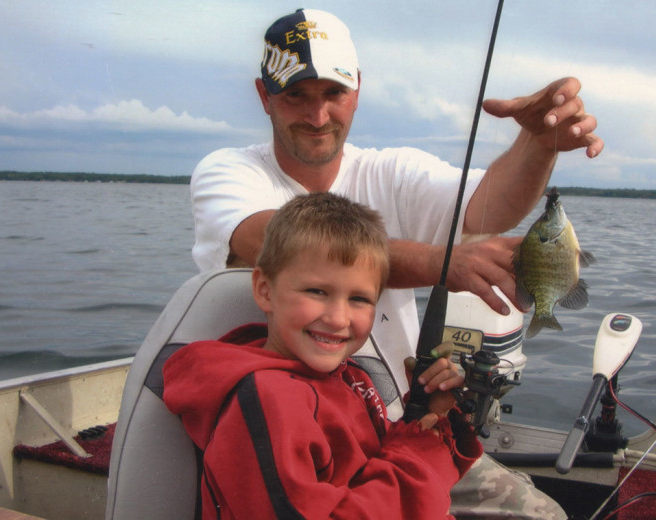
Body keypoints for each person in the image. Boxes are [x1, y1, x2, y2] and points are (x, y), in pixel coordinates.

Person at [190, 8, 597, 517]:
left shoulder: (391, 171)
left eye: (333, 94)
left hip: (404, 427)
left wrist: (538, 144)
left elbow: (488, 207)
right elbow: (282, 240)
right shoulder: (227, 173)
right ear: (264, 95)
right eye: (296, 95)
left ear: (356, 89)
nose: (317, 116)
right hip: (312, 444)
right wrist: (445, 263)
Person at [164, 192, 483, 519]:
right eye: (317, 292)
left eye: (359, 299)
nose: (338, 319)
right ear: (264, 290)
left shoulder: (346, 375)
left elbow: (369, 467)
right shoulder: (269, 401)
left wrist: (426, 420)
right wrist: (419, 458)